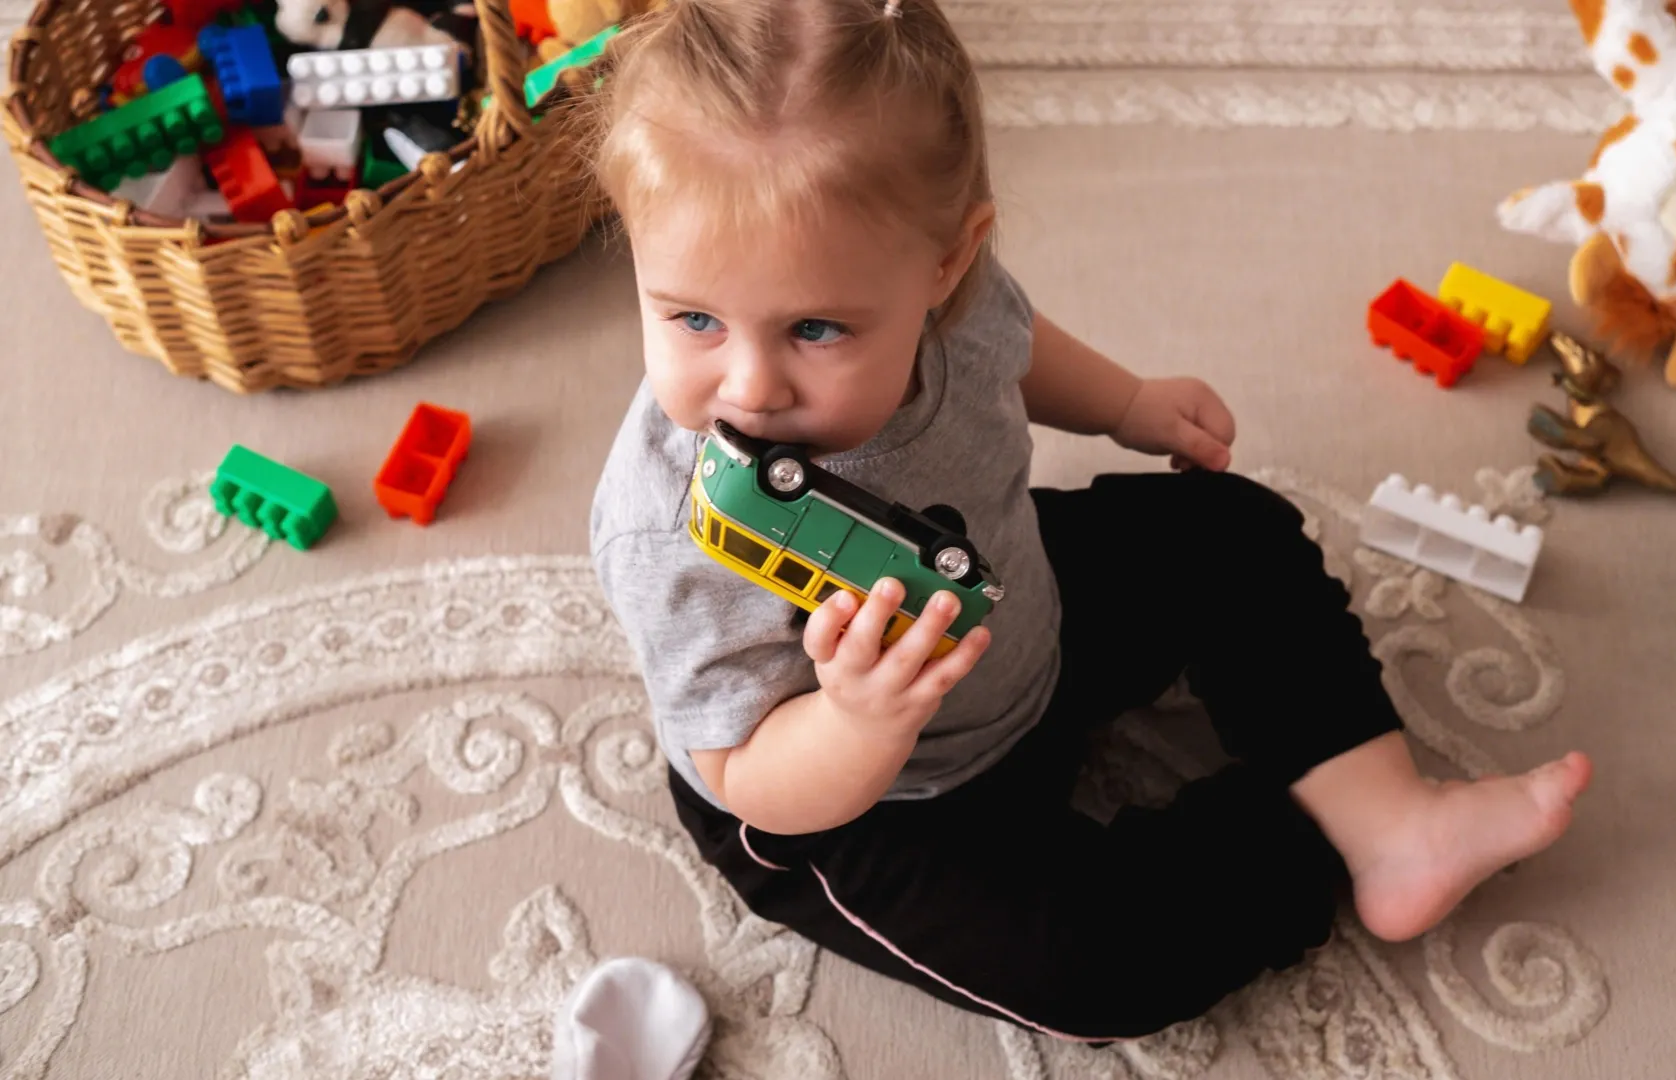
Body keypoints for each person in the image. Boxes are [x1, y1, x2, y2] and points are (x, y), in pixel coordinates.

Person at [584, 0, 1593, 1042]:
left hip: (1023, 608)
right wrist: (857, 725)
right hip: (862, 800)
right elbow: (742, 775)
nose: (751, 384)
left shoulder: (953, 301)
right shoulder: (667, 530)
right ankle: (1296, 834)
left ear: (945, 266)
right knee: (1096, 968)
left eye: (815, 329)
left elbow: (1015, 349)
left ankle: (1390, 821)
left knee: (1233, 530)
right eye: (692, 317)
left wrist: (1127, 404)